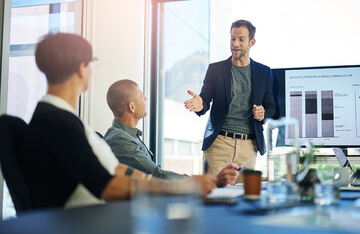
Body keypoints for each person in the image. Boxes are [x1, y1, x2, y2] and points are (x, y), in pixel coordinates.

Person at [23, 33, 216, 210]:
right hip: (79, 221)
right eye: (92, 63)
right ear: (82, 68)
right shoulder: (58, 123)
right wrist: (180, 187)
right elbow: (106, 185)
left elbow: (116, 168)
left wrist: (178, 184)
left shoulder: (60, 117)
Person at [184, 20, 275, 182]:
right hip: (219, 143)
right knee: (212, 193)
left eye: (241, 39)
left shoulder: (264, 72)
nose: (235, 43)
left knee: (242, 198)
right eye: (233, 38)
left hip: (248, 146)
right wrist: (200, 105)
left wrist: (263, 113)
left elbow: (271, 107)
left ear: (251, 42)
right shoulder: (215, 70)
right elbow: (205, 100)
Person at [104, 79, 239, 187]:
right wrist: (207, 181)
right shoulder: (120, 139)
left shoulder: (126, 135)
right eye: (141, 96)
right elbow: (155, 174)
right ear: (132, 107)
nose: (145, 99)